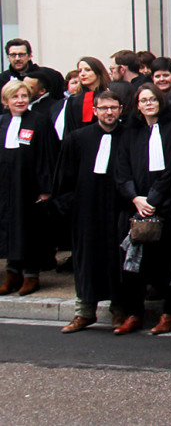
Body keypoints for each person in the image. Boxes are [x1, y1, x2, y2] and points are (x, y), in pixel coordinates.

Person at [110, 83, 171, 334]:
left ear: (160, 102)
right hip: (137, 207)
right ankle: (134, 314)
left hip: (165, 205)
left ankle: (170, 314)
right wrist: (135, 198)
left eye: (153, 99)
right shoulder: (131, 132)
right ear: (137, 105)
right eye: (143, 100)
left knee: (166, 263)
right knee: (133, 264)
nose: (149, 103)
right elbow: (122, 169)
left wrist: (153, 198)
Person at [55, 88, 125, 333]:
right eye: (104, 108)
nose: (109, 112)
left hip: (118, 210)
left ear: (120, 110)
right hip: (85, 211)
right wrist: (70, 207)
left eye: (113, 108)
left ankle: (119, 311)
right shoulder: (77, 139)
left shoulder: (128, 136)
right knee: (86, 261)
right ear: (95, 111)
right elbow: (64, 179)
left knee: (117, 261)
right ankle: (84, 312)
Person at [0, 78, 57, 297]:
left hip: (29, 186)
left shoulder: (39, 121)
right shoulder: (2, 122)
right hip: (6, 187)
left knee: (30, 230)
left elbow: (47, 155)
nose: (20, 100)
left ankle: (31, 275)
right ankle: (12, 273)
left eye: (24, 96)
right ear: (6, 101)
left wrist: (46, 188)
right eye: (15, 97)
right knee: (9, 229)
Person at [64, 57, 111, 139]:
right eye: (80, 71)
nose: (82, 74)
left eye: (87, 70)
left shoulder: (109, 96)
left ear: (98, 72)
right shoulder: (73, 100)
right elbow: (69, 128)